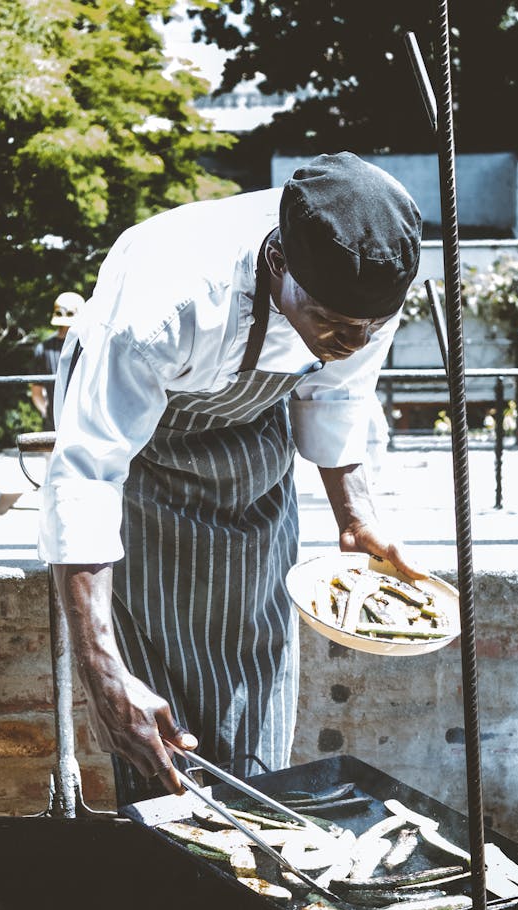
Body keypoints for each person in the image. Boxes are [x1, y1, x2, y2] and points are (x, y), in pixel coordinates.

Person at [38, 152, 425, 806]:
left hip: (251, 457)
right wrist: (103, 674)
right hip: (143, 463)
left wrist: (356, 518)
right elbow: (86, 474)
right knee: (160, 729)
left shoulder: (367, 275)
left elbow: (337, 394)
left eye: (370, 325)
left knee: (257, 679)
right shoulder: (166, 303)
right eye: (330, 321)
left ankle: (251, 830)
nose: (354, 340)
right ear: (278, 263)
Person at [31, 291, 85, 420]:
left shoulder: (86, 345)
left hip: (71, 419)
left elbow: (36, 393)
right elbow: (36, 392)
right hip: (65, 421)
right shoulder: (43, 349)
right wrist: (47, 414)